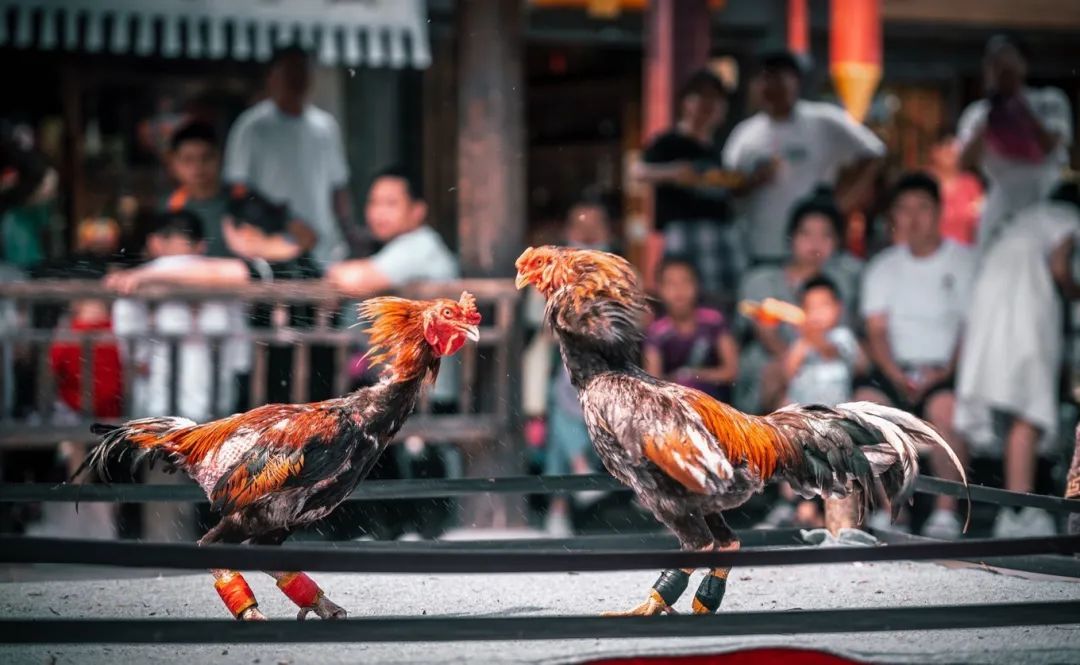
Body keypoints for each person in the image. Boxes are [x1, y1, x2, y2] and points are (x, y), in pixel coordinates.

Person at [954, 182, 1080, 538]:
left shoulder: (1022, 222)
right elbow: (1060, 267)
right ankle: (1020, 509)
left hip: (991, 314)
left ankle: (1011, 507)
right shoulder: (1067, 216)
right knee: (1029, 408)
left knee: (1014, 410)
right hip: (1027, 310)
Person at [857, 172, 975, 537]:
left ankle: (946, 511)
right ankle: (890, 508)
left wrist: (944, 373)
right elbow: (876, 331)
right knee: (865, 407)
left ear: (939, 211)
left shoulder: (965, 261)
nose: (913, 218)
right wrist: (895, 374)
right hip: (894, 370)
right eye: (903, 210)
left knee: (948, 411)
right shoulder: (883, 266)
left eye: (922, 208)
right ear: (894, 216)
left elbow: (969, 329)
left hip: (947, 372)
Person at [723, 50, 886, 265]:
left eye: (781, 80)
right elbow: (727, 189)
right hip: (762, 247)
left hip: (818, 251)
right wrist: (752, 181)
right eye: (767, 80)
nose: (773, 88)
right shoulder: (745, 134)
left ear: (796, 83)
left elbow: (874, 152)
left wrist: (844, 201)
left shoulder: (823, 121)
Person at [224, 46, 356, 268]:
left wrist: (349, 231)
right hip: (271, 248)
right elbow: (237, 189)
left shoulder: (325, 127)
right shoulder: (252, 126)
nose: (296, 78)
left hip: (322, 245)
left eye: (302, 71)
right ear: (271, 77)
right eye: (289, 71)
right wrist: (285, 221)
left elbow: (338, 188)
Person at [736, 189, 862, 413]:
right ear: (791, 237)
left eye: (826, 235)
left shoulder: (843, 282)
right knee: (775, 373)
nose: (815, 243)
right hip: (774, 360)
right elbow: (767, 336)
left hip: (828, 362)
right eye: (806, 234)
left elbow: (845, 339)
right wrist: (797, 362)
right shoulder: (762, 280)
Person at [635, 69, 753, 301]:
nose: (709, 106)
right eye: (702, 97)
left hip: (722, 229)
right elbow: (638, 171)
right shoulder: (669, 140)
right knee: (686, 299)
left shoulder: (717, 147)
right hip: (684, 229)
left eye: (716, 100)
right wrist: (675, 172)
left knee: (728, 296)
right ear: (686, 103)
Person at [958, 35, 1073, 253]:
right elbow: (964, 163)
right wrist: (994, 108)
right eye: (995, 64)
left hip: (1046, 197)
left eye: (1008, 63)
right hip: (1002, 204)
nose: (1002, 70)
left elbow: (1048, 146)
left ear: (1023, 65)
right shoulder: (978, 113)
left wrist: (1017, 103)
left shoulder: (1050, 100)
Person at [166, 121, 316, 258]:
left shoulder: (243, 198)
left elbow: (307, 237)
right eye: (188, 160)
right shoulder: (172, 207)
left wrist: (266, 246)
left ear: (220, 157)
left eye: (206, 157)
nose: (198, 167)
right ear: (173, 164)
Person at [644, 257, 739, 403]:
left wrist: (693, 376)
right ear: (659, 290)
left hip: (716, 403)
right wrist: (680, 382)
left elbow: (731, 371)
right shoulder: (656, 332)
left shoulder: (713, 320)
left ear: (696, 285)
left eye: (685, 281)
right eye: (670, 284)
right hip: (675, 405)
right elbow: (652, 382)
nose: (679, 290)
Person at [783, 275, 865, 407]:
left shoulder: (842, 335)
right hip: (802, 410)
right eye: (811, 307)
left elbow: (858, 365)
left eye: (823, 306)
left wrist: (814, 339)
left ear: (838, 308)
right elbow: (788, 374)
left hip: (836, 409)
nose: (817, 313)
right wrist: (803, 343)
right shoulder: (801, 340)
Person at [926, 130, 984, 247]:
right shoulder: (922, 184)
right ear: (934, 151)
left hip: (964, 255)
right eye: (946, 147)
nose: (951, 152)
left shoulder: (971, 184)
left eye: (954, 148)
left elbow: (981, 220)